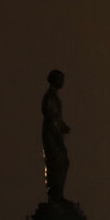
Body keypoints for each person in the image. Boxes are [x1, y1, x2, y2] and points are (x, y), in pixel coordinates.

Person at [41, 70, 71, 203]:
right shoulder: (50, 98)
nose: (63, 81)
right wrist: (59, 138)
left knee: (62, 163)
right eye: (61, 78)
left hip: (54, 133)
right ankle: (55, 195)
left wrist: (63, 126)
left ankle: (58, 194)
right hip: (52, 135)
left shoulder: (53, 97)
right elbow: (51, 119)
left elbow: (56, 118)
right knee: (57, 163)